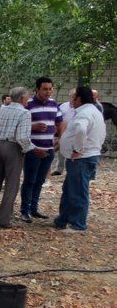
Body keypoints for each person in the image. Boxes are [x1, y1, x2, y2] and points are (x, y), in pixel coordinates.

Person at [0, 87, 46, 228]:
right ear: (22, 99)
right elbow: (22, 137)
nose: (28, 100)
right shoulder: (24, 113)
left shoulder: (2, 110)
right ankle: (3, 220)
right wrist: (34, 149)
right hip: (13, 148)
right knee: (11, 185)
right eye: (27, 97)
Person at [53, 86, 106, 233]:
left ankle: (78, 224)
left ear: (80, 99)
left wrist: (77, 149)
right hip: (87, 156)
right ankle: (62, 219)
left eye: (74, 98)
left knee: (77, 191)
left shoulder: (84, 114)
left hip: (81, 158)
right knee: (70, 189)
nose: (72, 101)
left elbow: (81, 130)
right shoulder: (94, 111)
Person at [19, 77, 60, 223]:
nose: (48, 92)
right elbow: (19, 125)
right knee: (29, 181)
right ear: (37, 89)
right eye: (45, 89)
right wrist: (32, 127)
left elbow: (59, 123)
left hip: (49, 150)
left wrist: (59, 138)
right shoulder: (27, 105)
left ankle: (34, 208)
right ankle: (24, 211)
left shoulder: (54, 105)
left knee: (40, 181)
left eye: (50, 89)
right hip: (33, 150)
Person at [52, 89, 77, 176]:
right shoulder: (63, 106)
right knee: (61, 151)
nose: (73, 98)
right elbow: (58, 119)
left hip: (75, 133)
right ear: (69, 97)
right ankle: (59, 169)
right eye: (72, 96)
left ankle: (70, 170)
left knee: (72, 152)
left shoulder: (79, 107)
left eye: (75, 96)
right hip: (63, 132)